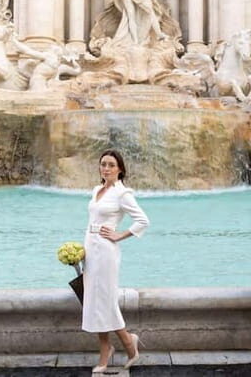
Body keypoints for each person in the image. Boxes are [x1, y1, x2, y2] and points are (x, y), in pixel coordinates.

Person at [83, 150, 149, 372]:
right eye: (103, 164)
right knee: (95, 301)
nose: (106, 168)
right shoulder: (96, 190)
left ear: (120, 169)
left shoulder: (122, 194)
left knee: (106, 301)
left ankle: (128, 343)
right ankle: (111, 347)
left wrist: (119, 235)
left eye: (111, 165)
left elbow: (142, 220)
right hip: (90, 248)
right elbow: (92, 220)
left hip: (106, 251)